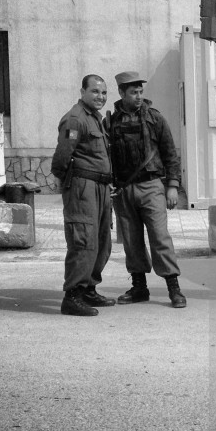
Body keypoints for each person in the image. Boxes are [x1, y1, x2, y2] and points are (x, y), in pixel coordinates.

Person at [104, 71, 186, 308]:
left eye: (141, 92)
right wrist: (107, 183)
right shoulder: (109, 122)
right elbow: (105, 156)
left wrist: (172, 186)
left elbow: (171, 154)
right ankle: (140, 287)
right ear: (121, 93)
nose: (138, 96)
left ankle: (174, 288)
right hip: (123, 189)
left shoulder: (155, 119)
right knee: (131, 240)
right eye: (133, 92)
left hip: (152, 186)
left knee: (160, 237)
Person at [51, 74, 116, 316]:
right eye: (95, 92)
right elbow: (61, 157)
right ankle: (73, 296)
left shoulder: (95, 119)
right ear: (82, 92)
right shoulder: (76, 119)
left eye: (104, 93)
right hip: (82, 187)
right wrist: (68, 183)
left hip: (100, 188)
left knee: (101, 241)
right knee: (83, 240)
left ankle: (89, 288)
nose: (101, 97)